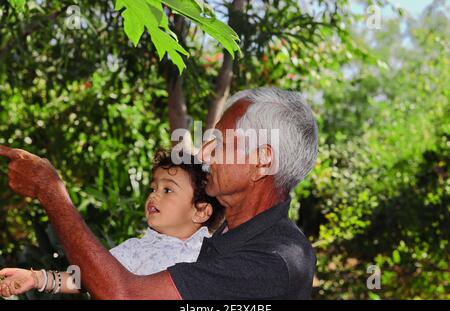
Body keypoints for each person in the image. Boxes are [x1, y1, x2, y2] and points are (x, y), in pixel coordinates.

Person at [0, 87, 318, 299]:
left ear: (262, 160)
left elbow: (124, 294)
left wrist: (50, 191)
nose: (205, 154)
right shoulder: (225, 230)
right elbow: (99, 275)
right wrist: (41, 278)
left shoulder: (274, 262)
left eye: (220, 142)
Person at [0, 151, 223, 297]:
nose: (154, 196)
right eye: (153, 188)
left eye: (168, 190)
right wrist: (37, 278)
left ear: (201, 211)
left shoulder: (216, 252)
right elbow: (88, 277)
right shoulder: (136, 249)